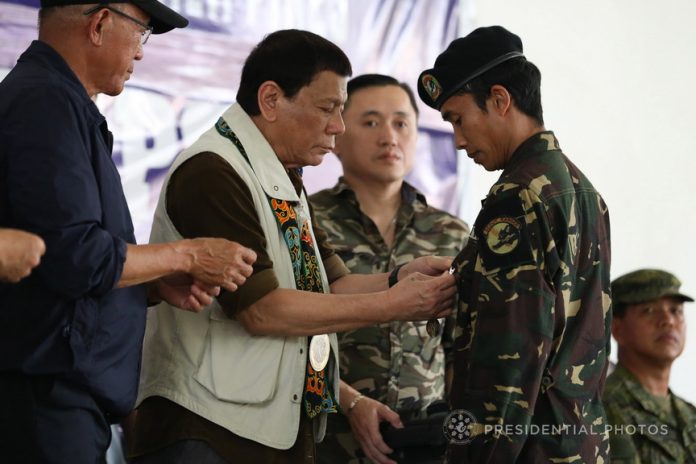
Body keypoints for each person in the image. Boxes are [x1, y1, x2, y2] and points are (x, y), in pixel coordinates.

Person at [127, 30, 456, 464]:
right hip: (206, 432)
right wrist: (395, 304)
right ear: (270, 100)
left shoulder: (278, 174)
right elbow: (262, 310)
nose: (337, 126)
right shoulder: (215, 171)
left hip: (263, 429)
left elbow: (331, 284)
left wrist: (399, 278)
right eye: (327, 108)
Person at [0, 1, 257, 463]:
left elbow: (74, 257)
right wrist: (187, 256)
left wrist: (151, 281)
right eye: (142, 34)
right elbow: (74, 255)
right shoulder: (46, 102)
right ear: (99, 24)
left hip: (59, 400)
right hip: (45, 400)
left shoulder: (58, 102)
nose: (141, 54)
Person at [416, 25, 612, 462]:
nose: (459, 140)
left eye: (458, 119)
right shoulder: (580, 189)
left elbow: (509, 357)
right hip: (577, 444)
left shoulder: (519, 197)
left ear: (500, 100)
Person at [309, 74, 469, 464]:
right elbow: (287, 335)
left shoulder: (451, 233)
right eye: (370, 122)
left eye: (401, 123)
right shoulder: (306, 221)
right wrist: (350, 400)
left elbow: (461, 344)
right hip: (325, 437)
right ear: (338, 136)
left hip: (423, 442)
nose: (389, 136)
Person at [603, 269, 696, 463]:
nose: (668, 321)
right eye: (649, 311)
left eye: (675, 311)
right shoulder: (603, 408)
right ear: (617, 328)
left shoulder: (689, 413)